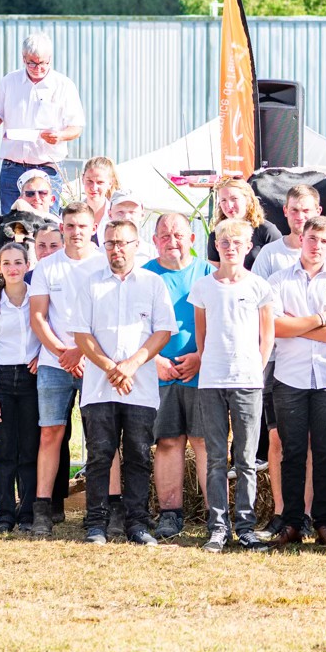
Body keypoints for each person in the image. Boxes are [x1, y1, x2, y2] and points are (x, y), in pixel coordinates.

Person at [64, 218, 177, 544]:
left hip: (140, 388)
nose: (116, 249)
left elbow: (163, 331)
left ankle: (137, 524)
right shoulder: (91, 284)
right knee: (100, 456)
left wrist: (131, 365)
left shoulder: (152, 284)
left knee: (138, 456)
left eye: (123, 242)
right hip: (100, 388)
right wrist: (111, 368)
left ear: (136, 245)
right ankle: (96, 524)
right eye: (111, 243)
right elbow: (81, 334)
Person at [268, 214, 326, 547]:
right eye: (312, 239)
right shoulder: (278, 280)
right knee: (292, 453)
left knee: (324, 453)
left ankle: (323, 524)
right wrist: (321, 319)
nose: (316, 246)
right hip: (289, 377)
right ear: (301, 239)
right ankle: (291, 523)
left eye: (324, 241)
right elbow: (274, 327)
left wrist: (298, 326)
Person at [191, 219, 278, 551]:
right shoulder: (203, 287)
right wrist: (210, 362)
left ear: (247, 247)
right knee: (216, 457)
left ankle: (245, 527)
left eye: (237, 243)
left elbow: (267, 335)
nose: (230, 248)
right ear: (216, 245)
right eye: (224, 242)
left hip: (248, 382)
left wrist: (256, 367)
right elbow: (201, 335)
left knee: (245, 459)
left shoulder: (259, 286)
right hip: (212, 381)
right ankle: (218, 527)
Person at [26, 202, 100, 538]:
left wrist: (81, 351)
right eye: (70, 226)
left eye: (82, 226)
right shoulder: (47, 267)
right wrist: (62, 353)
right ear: (62, 228)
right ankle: (43, 509)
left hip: (95, 362)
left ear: (93, 228)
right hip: (54, 363)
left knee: (100, 436)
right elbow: (38, 317)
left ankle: (101, 509)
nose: (76, 232)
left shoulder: (103, 263)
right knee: (50, 433)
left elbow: (106, 316)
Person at [145, 213, 207, 541]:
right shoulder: (144, 276)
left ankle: (216, 515)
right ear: (155, 241)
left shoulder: (208, 274)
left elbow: (223, 323)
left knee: (204, 442)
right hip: (159, 373)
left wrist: (201, 357)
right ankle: (170, 514)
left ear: (192, 239)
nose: (172, 241)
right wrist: (153, 359)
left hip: (202, 373)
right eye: (165, 236)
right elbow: (133, 324)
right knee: (168, 441)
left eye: (179, 235)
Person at [0, 30, 86, 215]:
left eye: (43, 63)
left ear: (50, 59)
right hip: (12, 166)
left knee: (47, 223)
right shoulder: (9, 81)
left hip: (48, 167)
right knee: (11, 224)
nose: (38, 68)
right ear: (23, 58)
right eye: (32, 63)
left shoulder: (64, 85)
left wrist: (60, 136)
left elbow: (76, 127)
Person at [0, 241, 40, 537]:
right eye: (6, 263)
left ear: (28, 265)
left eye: (18, 262)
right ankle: (4, 514)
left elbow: (50, 330)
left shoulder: (37, 298)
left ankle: (27, 513)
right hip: (1, 380)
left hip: (31, 378)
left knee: (29, 450)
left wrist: (43, 355)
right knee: (4, 451)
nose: (13, 268)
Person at [253, 184, 326, 283]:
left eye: (306, 211)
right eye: (294, 210)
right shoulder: (269, 253)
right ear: (285, 211)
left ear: (318, 211)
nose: (299, 217)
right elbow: (257, 292)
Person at [205, 179, 282, 269]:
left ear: (247, 200)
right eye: (223, 200)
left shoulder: (267, 231)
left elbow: (281, 267)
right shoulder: (216, 235)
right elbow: (214, 271)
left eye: (234, 199)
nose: (229, 205)